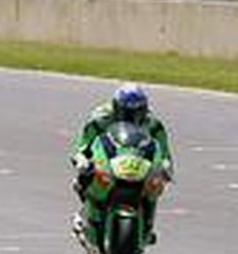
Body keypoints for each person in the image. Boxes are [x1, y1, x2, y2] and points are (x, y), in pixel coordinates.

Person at [70, 83, 174, 244]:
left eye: (137, 111)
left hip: (138, 162)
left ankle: (147, 227)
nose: (132, 116)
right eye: (127, 111)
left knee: (155, 186)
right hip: (108, 159)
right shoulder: (100, 118)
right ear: (117, 107)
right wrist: (82, 159)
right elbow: (83, 146)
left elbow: (164, 151)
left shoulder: (153, 123)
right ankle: (84, 214)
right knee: (84, 177)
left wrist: (166, 168)